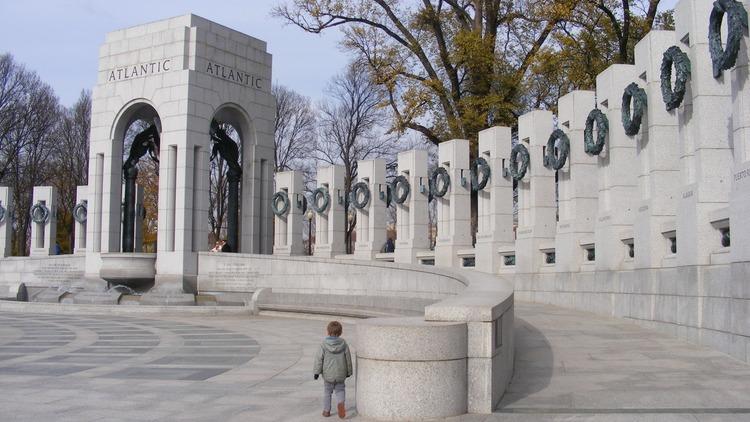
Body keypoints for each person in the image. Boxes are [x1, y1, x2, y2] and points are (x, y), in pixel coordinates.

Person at [313, 321, 352, 418]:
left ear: (328, 331)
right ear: (340, 332)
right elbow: (348, 359)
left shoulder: (323, 344)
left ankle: (326, 411)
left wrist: (316, 372)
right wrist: (349, 372)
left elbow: (319, 359)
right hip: (340, 374)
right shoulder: (344, 344)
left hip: (328, 375)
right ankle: (341, 405)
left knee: (327, 392)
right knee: (340, 391)